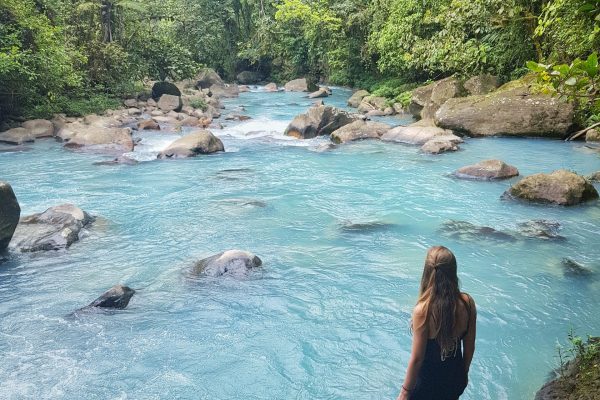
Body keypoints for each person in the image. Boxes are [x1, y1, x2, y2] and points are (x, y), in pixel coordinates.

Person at [398, 246, 476, 400]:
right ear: (453, 271)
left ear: (426, 273)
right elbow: (470, 345)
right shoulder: (467, 303)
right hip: (454, 380)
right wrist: (463, 373)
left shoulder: (423, 310)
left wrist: (404, 393)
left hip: (427, 386)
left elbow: (417, 359)